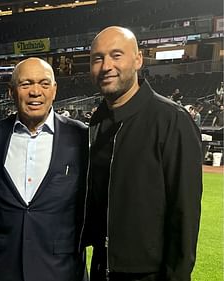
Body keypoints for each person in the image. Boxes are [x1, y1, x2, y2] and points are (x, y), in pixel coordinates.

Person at [80, 26, 202, 281]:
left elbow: (185, 215)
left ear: (138, 60)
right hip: (102, 270)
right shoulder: (99, 122)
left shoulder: (172, 120)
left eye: (116, 55)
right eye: (97, 58)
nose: (106, 66)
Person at [0, 58, 88, 281]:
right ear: (11, 92)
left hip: (62, 270)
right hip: (7, 269)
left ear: (54, 90)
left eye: (44, 84)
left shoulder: (81, 136)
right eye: (26, 84)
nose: (36, 91)